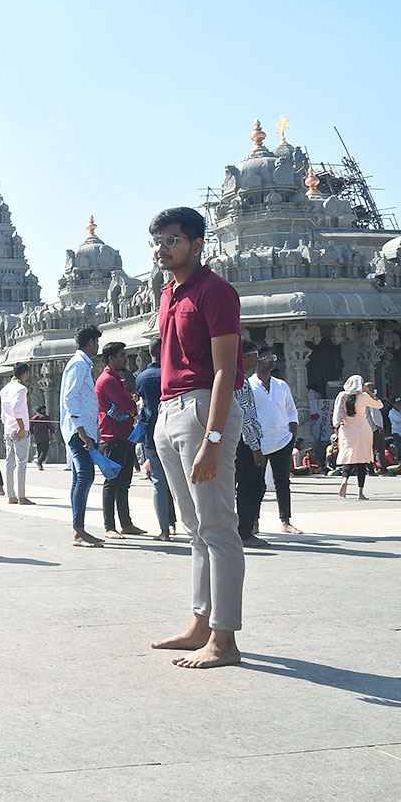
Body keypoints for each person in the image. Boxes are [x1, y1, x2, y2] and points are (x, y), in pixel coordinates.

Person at [146, 206, 245, 670]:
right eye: (159, 240)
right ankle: (201, 623)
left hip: (203, 407)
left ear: (198, 244)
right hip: (169, 411)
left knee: (219, 526)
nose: (162, 248)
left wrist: (214, 436)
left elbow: (226, 368)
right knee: (194, 528)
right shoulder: (168, 294)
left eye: (172, 240)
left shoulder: (216, 291)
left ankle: (224, 640)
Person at [248, 351, 303, 535]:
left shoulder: (281, 385)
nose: (272, 360)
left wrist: (292, 434)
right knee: (256, 484)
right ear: (258, 361)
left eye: (274, 356)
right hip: (259, 443)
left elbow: (291, 410)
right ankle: (253, 521)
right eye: (267, 357)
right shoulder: (249, 385)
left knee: (282, 482)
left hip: (282, 440)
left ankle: (286, 521)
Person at [60, 325, 103, 547]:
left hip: (82, 429)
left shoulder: (81, 364)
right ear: (91, 342)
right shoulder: (79, 364)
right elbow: (70, 398)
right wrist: (83, 432)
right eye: (97, 342)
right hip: (80, 431)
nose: (98, 346)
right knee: (85, 476)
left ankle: (79, 529)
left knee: (80, 477)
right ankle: (78, 531)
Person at [95, 342, 143, 539]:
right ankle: (109, 526)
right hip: (112, 436)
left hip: (124, 435)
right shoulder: (108, 380)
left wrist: (131, 405)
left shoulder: (117, 379)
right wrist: (132, 405)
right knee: (112, 482)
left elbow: (129, 404)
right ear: (111, 359)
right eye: (122, 355)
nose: (125, 358)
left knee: (124, 482)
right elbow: (127, 403)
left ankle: (126, 523)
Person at [136, 339, 176, 542]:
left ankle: (165, 530)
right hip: (176, 431)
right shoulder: (173, 373)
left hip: (151, 434)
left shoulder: (142, 378)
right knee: (184, 480)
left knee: (159, 483)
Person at [232, 340, 269, 548]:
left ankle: (244, 528)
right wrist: (256, 448)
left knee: (255, 486)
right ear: (245, 356)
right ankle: (244, 531)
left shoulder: (241, 379)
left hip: (245, 441)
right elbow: (245, 417)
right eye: (255, 354)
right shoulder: (239, 381)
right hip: (244, 443)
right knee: (250, 487)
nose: (258, 359)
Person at [334, 375, 383, 500]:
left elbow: (336, 415)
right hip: (361, 429)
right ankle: (360, 492)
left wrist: (337, 430)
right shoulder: (363, 397)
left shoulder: (341, 396)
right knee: (362, 459)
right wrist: (370, 392)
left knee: (349, 458)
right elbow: (379, 405)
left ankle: (344, 479)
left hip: (346, 430)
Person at [0, 365, 35, 504]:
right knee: (21, 463)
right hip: (19, 429)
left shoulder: (5, 389)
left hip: (8, 428)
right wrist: (21, 427)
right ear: (25, 373)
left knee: (9, 463)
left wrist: (6, 427)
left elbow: (3, 412)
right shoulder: (21, 389)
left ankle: (11, 495)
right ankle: (21, 496)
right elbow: (16, 408)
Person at [363, 382, 387, 473]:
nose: (374, 390)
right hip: (374, 428)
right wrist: (379, 426)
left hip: (365, 428)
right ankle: (382, 469)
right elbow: (374, 413)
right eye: (373, 388)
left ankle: (370, 470)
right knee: (379, 449)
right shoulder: (369, 397)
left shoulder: (361, 397)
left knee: (368, 450)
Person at [31, 404, 54, 470]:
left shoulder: (34, 417)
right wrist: (53, 433)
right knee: (45, 450)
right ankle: (40, 461)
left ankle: (40, 464)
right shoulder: (45, 417)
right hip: (44, 436)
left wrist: (32, 432)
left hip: (37, 436)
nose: (44, 410)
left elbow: (31, 426)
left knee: (39, 449)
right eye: (43, 409)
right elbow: (50, 426)